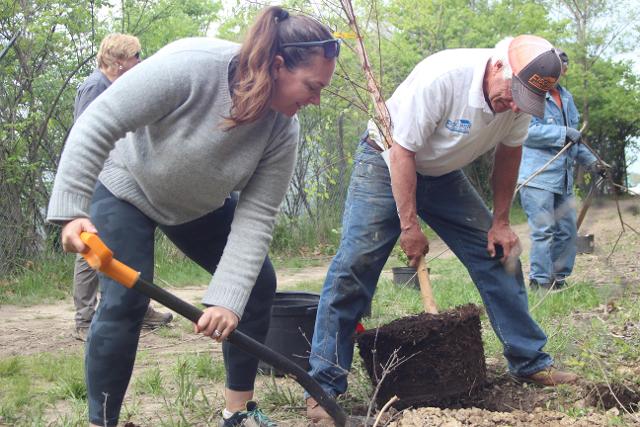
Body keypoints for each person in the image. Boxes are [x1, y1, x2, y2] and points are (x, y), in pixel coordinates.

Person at [47, 6, 337, 427]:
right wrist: (72, 210)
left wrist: (228, 299)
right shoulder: (192, 65)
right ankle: (101, 421)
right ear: (277, 65)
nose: (315, 99)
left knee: (257, 286)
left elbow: (257, 215)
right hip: (125, 185)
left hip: (196, 206)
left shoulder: (282, 130)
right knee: (126, 299)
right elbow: (99, 121)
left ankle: (238, 412)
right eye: (312, 86)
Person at [305, 35, 579, 422]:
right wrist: (409, 225)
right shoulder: (443, 77)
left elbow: (510, 151)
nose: (516, 106)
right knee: (354, 266)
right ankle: (323, 388)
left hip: (443, 172)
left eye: (525, 102)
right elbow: (402, 153)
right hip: (386, 163)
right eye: (514, 94)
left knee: (501, 254)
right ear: (499, 65)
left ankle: (529, 360)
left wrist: (501, 222)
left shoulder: (520, 98)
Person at [71, 33, 173, 343]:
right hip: (95, 178)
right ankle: (85, 320)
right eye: (136, 56)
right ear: (118, 61)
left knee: (129, 239)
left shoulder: (119, 86)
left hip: (122, 177)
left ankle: (139, 310)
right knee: (91, 245)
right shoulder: (94, 89)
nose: (141, 61)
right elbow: (84, 139)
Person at [518, 49, 602, 291]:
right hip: (537, 177)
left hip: (562, 178)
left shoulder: (566, 98)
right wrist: (562, 132)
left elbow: (574, 141)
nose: (561, 72)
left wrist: (593, 162)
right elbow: (526, 132)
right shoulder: (531, 97)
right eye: (557, 67)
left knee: (567, 230)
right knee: (543, 230)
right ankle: (540, 282)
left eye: (564, 67)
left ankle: (558, 279)